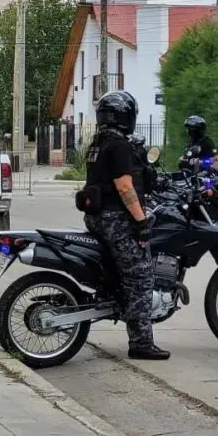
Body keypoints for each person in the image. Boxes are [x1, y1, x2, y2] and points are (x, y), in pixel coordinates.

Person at [79, 90, 169, 361]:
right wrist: (141, 221)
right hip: (115, 219)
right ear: (126, 116)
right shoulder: (118, 145)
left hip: (96, 216)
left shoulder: (98, 143)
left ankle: (116, 299)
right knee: (141, 275)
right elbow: (124, 186)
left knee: (122, 270)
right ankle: (141, 343)